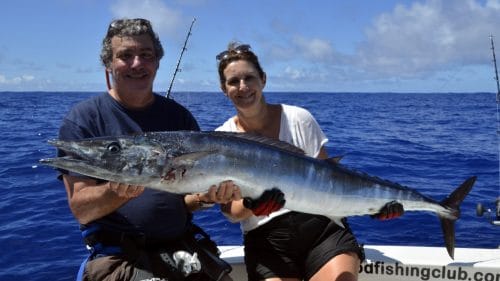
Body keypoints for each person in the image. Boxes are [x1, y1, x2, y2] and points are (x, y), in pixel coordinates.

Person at [56, 18, 242, 281]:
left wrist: (208, 197)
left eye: (146, 55)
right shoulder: (83, 119)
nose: (137, 63)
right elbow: (82, 209)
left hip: (183, 247)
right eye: (125, 55)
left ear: (156, 63)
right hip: (120, 256)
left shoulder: (179, 117)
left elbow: (187, 200)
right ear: (108, 64)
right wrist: (117, 190)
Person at [214, 42, 404, 281]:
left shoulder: (298, 118)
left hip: (322, 229)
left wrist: (375, 206)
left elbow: (329, 182)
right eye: (233, 82)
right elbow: (231, 212)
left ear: (263, 79)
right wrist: (253, 206)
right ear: (224, 88)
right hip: (268, 241)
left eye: (249, 78)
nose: (243, 87)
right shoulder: (221, 138)